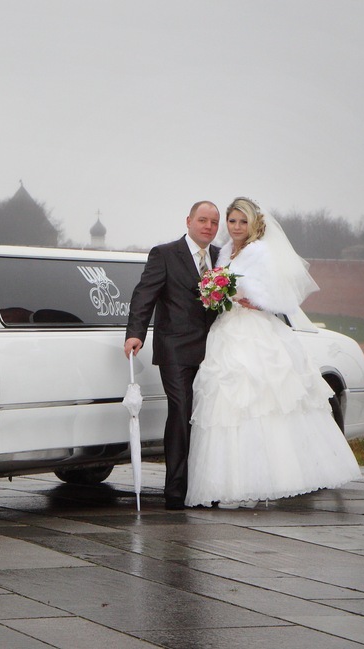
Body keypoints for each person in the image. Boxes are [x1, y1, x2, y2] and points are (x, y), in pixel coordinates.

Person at [185, 197, 362, 508]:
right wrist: (217, 294)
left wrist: (254, 300)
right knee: (226, 405)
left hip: (254, 332)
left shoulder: (260, 251)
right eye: (232, 221)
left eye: (243, 221)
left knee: (263, 402)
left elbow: (281, 294)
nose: (236, 227)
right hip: (226, 331)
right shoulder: (224, 252)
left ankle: (270, 478)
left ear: (254, 223)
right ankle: (228, 482)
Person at [125, 201, 221, 510]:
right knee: (181, 411)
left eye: (214, 222)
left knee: (210, 417)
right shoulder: (165, 254)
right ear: (189, 221)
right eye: (202, 220)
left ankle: (204, 486)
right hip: (176, 350)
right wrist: (135, 333)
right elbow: (144, 294)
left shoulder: (222, 257)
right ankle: (176, 491)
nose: (208, 226)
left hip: (215, 352)